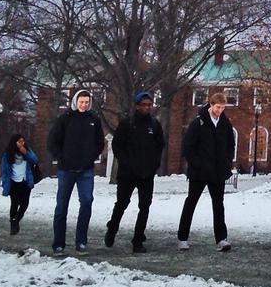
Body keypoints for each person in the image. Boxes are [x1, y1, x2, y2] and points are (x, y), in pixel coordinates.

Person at [104, 91, 165, 253]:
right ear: (137, 106)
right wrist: (126, 163)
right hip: (128, 173)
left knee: (145, 206)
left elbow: (160, 145)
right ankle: (112, 228)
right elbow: (117, 146)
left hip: (147, 173)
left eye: (149, 105)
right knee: (122, 203)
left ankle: (138, 239)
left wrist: (154, 164)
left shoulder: (154, 125)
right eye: (144, 104)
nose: (147, 107)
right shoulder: (127, 124)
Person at [47, 89, 105, 254]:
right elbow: (52, 141)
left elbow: (100, 142)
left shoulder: (94, 120)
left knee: (86, 203)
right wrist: (61, 158)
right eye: (81, 102)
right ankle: (58, 243)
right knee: (62, 206)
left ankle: (81, 242)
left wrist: (92, 156)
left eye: (87, 102)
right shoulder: (65, 119)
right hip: (66, 170)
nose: (84, 105)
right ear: (75, 101)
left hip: (86, 170)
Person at [177, 92, 235, 252]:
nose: (220, 110)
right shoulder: (198, 122)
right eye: (218, 107)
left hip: (218, 171)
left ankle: (221, 238)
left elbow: (231, 144)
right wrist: (197, 164)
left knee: (218, 205)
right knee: (191, 203)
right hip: (200, 172)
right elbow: (188, 146)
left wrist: (227, 161)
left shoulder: (225, 123)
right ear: (211, 105)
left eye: (223, 107)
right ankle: (182, 238)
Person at [0, 133, 40, 235]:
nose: (22, 143)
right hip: (14, 182)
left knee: (24, 204)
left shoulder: (27, 150)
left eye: (23, 141)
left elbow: (35, 160)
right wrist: (5, 184)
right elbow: (4, 171)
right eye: (19, 142)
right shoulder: (8, 154)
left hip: (25, 181)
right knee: (14, 203)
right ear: (15, 143)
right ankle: (13, 224)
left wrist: (26, 153)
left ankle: (16, 220)